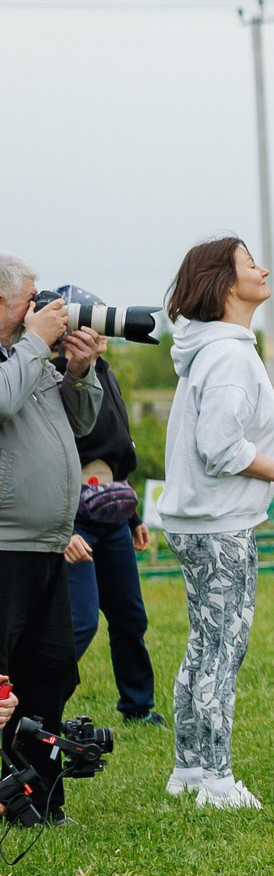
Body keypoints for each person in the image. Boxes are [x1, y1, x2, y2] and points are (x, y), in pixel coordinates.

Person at [159, 238, 274, 809]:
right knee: (223, 646)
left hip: (199, 521)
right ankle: (216, 778)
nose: (263, 268)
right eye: (249, 262)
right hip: (219, 523)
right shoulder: (229, 355)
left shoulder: (213, 348)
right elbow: (218, 446)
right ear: (225, 283)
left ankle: (188, 768)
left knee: (205, 643)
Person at [0, 252, 105, 825]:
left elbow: (78, 424)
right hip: (4, 545)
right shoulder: (22, 351)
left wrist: (81, 373)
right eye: (32, 296)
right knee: (2, 686)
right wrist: (36, 343)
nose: (43, 307)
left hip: (44, 544)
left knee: (53, 671)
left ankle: (39, 799)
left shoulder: (29, 353)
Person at [49, 284, 159, 726]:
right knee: (79, 622)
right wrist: (64, 526)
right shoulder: (55, 375)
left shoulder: (105, 372)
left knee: (130, 616)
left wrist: (132, 517)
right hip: (72, 513)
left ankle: (138, 705)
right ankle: (35, 701)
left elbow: (118, 449)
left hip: (112, 512)